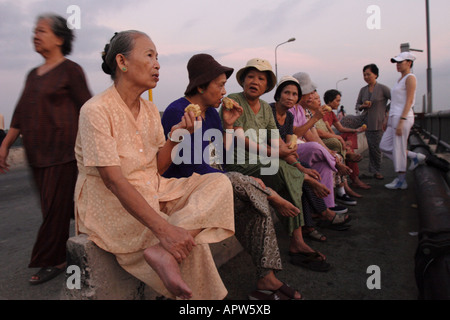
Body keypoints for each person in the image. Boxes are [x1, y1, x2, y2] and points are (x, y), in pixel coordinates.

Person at [74, 31, 235, 300]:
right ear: (122, 62)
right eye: (149, 55)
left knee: (219, 182)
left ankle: (163, 252)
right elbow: (114, 181)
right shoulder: (96, 110)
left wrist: (176, 137)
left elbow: (156, 169)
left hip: (155, 190)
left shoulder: (149, 110)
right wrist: (165, 231)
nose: (157, 64)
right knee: (193, 249)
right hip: (112, 204)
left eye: (158, 57)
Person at [161, 53, 302, 300]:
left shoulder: (213, 114)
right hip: (188, 189)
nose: (225, 91)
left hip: (214, 184)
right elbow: (192, 169)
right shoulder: (178, 112)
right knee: (253, 188)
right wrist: (239, 180)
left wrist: (227, 127)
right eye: (220, 85)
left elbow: (220, 160)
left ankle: (266, 278)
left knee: (257, 208)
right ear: (201, 86)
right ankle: (271, 195)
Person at [223, 58, 351, 273]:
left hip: (261, 162)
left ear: (267, 86)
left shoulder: (265, 108)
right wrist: (277, 154)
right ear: (243, 81)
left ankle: (298, 239)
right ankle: (302, 235)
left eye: (261, 78)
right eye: (250, 77)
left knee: (289, 171)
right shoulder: (233, 101)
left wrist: (297, 166)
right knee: (283, 169)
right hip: (239, 164)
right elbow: (237, 137)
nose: (255, 81)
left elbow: (278, 142)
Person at [0, 14, 92, 285]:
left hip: (63, 155)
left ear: (59, 38)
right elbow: (20, 114)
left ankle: (55, 260)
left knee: (54, 209)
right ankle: (89, 243)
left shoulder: (70, 70)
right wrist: (5, 144)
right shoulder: (33, 75)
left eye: (41, 31)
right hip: (37, 156)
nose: (35, 35)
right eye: (34, 31)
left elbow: (88, 109)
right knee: (58, 209)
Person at [289, 72, 353, 215]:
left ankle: (327, 206)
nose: (311, 95)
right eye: (309, 92)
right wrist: (316, 117)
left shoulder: (301, 110)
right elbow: (298, 133)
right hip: (291, 150)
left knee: (324, 164)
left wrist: (328, 152)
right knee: (316, 148)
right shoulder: (290, 109)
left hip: (304, 148)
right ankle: (337, 164)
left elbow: (312, 136)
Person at [379, 52, 426, 189]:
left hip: (403, 118)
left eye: (400, 62)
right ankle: (414, 156)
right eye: (397, 62)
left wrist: (402, 120)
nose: (398, 65)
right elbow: (395, 102)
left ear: (409, 63)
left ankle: (401, 180)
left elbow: (410, 101)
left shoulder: (410, 78)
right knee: (384, 146)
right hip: (394, 117)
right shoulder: (400, 79)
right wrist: (387, 117)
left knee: (399, 148)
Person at [340, 64, 391, 181]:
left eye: (368, 74)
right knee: (345, 120)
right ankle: (343, 143)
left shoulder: (383, 88)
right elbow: (357, 106)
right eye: (364, 75)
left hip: (376, 122)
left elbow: (395, 100)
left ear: (376, 75)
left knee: (375, 149)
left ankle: (376, 171)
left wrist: (386, 111)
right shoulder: (363, 90)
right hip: (363, 119)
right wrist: (362, 106)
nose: (366, 77)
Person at [323, 89, 369, 193]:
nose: (339, 103)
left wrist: (356, 130)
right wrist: (340, 141)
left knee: (350, 135)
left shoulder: (331, 113)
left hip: (330, 138)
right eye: (337, 101)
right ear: (330, 101)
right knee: (345, 150)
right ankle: (352, 179)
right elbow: (328, 131)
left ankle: (349, 154)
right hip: (325, 140)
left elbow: (340, 128)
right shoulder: (324, 112)